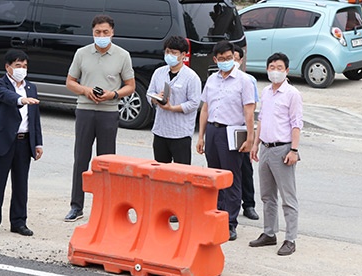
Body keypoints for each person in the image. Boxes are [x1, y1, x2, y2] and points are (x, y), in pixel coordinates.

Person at [64, 15, 135, 222]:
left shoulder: (122, 55)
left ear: (112, 33)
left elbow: (130, 85)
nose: (101, 36)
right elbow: (70, 81)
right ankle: (76, 206)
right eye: (97, 32)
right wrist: (85, 91)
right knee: (81, 159)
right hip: (85, 110)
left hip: (109, 111)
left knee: (106, 162)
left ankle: (105, 206)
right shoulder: (82, 53)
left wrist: (113, 95)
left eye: (105, 32)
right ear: (92, 33)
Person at [196, 41, 255, 241]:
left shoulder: (244, 81)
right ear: (215, 60)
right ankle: (217, 214)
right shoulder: (212, 80)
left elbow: (249, 111)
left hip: (232, 132)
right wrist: (201, 136)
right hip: (213, 130)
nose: (225, 62)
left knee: (231, 178)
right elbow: (205, 108)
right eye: (221, 59)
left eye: (229, 58)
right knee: (215, 177)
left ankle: (230, 222)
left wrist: (250, 137)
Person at [0, 49, 43, 238]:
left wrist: (38, 143)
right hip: (3, 141)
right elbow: (4, 96)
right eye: (18, 66)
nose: (21, 70)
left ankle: (18, 222)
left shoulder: (31, 87)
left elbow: (35, 118)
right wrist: (20, 99)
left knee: (21, 184)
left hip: (24, 143)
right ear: (8, 67)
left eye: (24, 66)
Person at [249, 52, 303, 256]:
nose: (275, 71)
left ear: (287, 71)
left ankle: (291, 238)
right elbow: (261, 119)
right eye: (272, 67)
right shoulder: (266, 92)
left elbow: (297, 124)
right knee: (266, 195)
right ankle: (269, 233)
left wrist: (294, 150)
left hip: (283, 149)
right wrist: (255, 144)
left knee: (288, 197)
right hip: (265, 147)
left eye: (279, 68)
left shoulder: (292, 94)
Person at [147, 36, 201, 165]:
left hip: (180, 133)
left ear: (183, 55)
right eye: (167, 52)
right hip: (161, 130)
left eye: (173, 53)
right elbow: (149, 93)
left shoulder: (191, 77)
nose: (169, 55)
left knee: (181, 172)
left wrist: (172, 108)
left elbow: (194, 103)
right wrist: (156, 99)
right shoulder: (159, 72)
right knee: (160, 170)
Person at [236, 50, 260, 221]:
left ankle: (249, 204)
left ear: (241, 60)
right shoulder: (217, 79)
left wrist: (251, 135)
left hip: (242, 129)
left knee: (245, 168)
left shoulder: (248, 80)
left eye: (235, 59)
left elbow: (252, 108)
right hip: (224, 130)